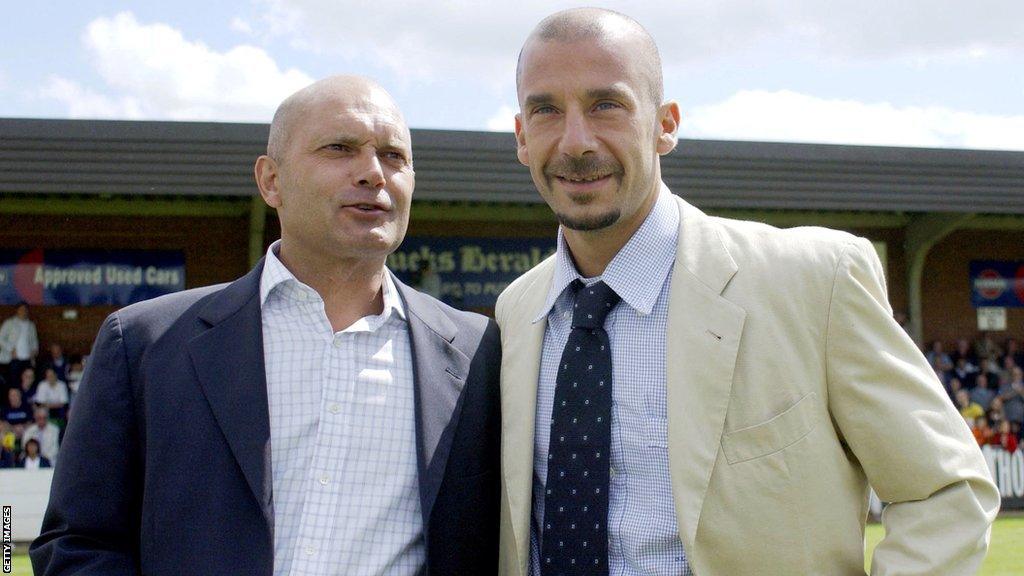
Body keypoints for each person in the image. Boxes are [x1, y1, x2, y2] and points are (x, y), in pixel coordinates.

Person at [495, 8, 998, 576]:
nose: (576, 141)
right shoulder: (515, 314)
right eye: (546, 111)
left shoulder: (815, 280)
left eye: (606, 105)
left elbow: (947, 492)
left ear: (665, 124)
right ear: (521, 136)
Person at [31, 76, 501, 576]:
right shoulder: (145, 344)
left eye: (393, 156)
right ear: (270, 180)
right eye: (340, 148)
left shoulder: (477, 354)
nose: (372, 173)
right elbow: (76, 543)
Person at [0, 302, 38, 384]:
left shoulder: (31, 325)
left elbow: (34, 340)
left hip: (27, 360)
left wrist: (34, 350)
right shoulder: (9, 323)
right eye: (21, 309)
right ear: (17, 311)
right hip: (13, 359)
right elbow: (1, 338)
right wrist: (10, 349)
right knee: (13, 382)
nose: (23, 311)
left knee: (27, 382)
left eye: (25, 310)